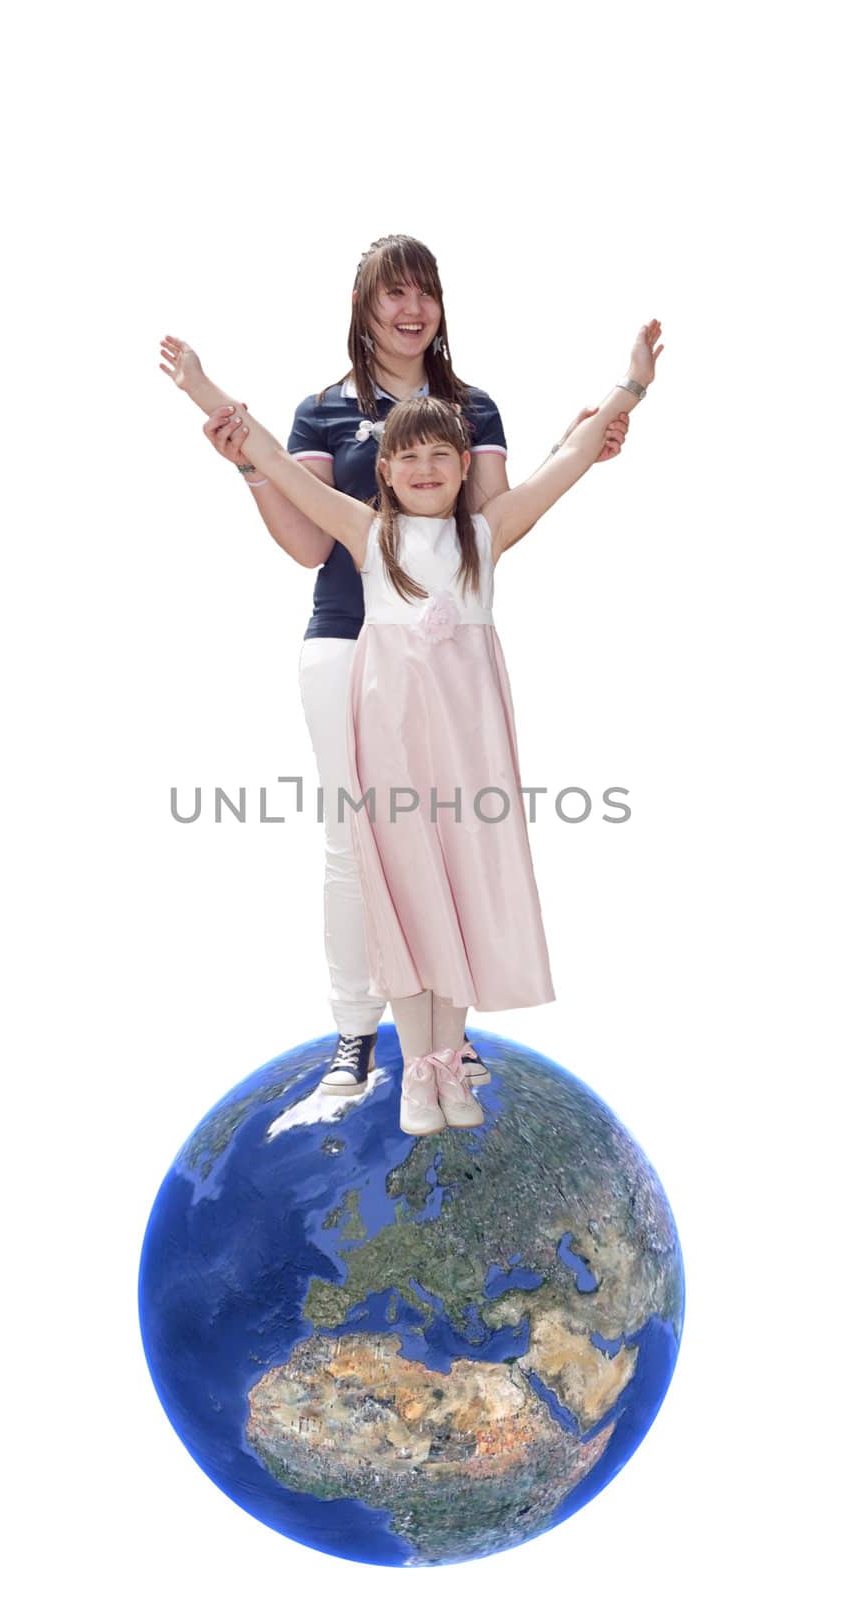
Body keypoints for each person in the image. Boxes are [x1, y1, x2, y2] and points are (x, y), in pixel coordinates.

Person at [159, 234, 631, 1100]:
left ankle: (443, 1043)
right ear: (364, 308)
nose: (411, 310)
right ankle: (355, 1034)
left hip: (446, 660)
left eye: (426, 293)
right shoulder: (320, 412)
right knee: (357, 845)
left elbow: (492, 522)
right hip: (349, 644)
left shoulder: (472, 410)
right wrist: (247, 465)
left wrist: (585, 438)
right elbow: (308, 542)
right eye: (393, 295)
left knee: (451, 837)